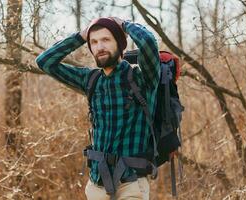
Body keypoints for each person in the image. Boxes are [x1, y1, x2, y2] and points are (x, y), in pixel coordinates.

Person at [36, 17, 160, 200]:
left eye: (106, 40)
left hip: (131, 185)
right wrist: (80, 36)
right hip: (96, 185)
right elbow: (45, 62)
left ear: (120, 43)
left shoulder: (142, 79)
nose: (99, 46)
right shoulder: (90, 80)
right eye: (94, 42)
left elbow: (148, 42)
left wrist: (125, 24)